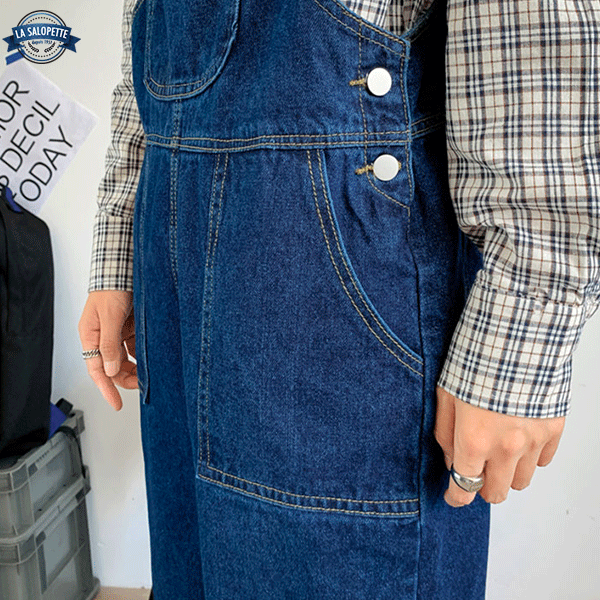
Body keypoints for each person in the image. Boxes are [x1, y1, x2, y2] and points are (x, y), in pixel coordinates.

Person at [79, 0, 599, 598]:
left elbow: (540, 45)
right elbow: (142, 64)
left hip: (339, 253)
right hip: (171, 249)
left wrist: (527, 322)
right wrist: (120, 241)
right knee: (192, 572)